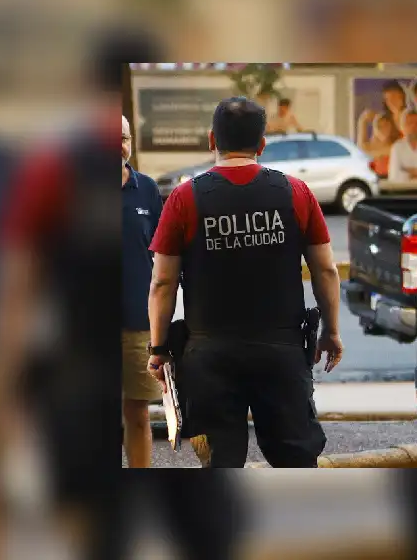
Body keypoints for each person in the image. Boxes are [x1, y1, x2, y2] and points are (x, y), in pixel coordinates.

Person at [147, 96, 344, 468]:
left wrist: (158, 348)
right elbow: (325, 270)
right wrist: (331, 332)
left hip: (210, 356)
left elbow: (163, 282)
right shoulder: (296, 192)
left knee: (221, 460)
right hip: (282, 352)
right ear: (263, 144)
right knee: (296, 458)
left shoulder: (184, 197)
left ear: (211, 140)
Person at [121, 114, 163, 468]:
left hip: (138, 324)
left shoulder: (146, 188)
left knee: (138, 416)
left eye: (123, 137)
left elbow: (163, 255)